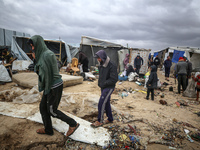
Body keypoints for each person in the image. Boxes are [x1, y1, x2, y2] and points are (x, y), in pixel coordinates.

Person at [27, 35, 79, 136]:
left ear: (39, 44)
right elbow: (40, 72)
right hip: (49, 86)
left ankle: (73, 124)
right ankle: (48, 130)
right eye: (31, 46)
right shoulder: (41, 55)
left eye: (33, 46)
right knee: (43, 107)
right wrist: (35, 60)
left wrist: (47, 90)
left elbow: (47, 74)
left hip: (54, 86)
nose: (32, 48)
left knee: (52, 111)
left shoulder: (47, 55)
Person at [91, 50, 118, 127]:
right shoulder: (101, 64)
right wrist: (100, 83)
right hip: (103, 87)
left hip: (109, 87)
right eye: (97, 58)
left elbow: (114, 79)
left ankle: (100, 120)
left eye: (99, 58)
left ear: (103, 57)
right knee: (106, 103)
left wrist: (104, 83)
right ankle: (110, 118)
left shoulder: (111, 65)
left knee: (101, 103)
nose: (98, 59)